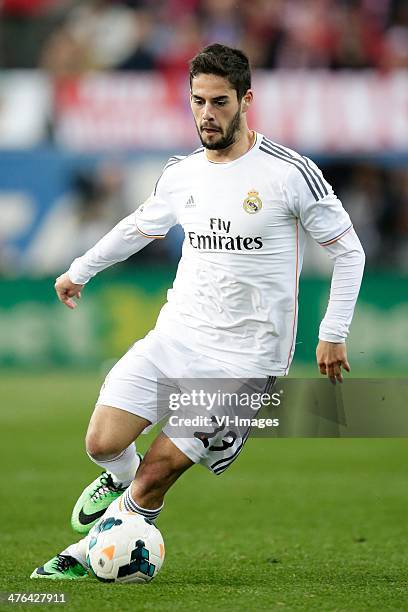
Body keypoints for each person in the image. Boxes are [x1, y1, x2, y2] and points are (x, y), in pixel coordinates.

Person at [31, 43, 365, 579]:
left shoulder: (289, 173)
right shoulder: (181, 173)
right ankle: (119, 484)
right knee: (103, 443)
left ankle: (90, 551)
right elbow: (138, 227)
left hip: (244, 359)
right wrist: (80, 270)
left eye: (220, 102)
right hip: (176, 336)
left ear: (246, 100)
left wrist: (334, 331)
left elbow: (349, 251)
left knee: (157, 473)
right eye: (197, 101)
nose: (207, 114)